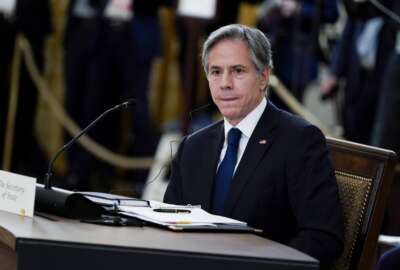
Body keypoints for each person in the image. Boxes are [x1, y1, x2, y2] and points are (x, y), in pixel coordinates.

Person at [164, 24, 343, 268]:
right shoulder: (193, 147)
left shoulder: (300, 141)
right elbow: (168, 227)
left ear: (263, 77)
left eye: (238, 71)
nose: (225, 83)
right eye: (216, 72)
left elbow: (323, 238)